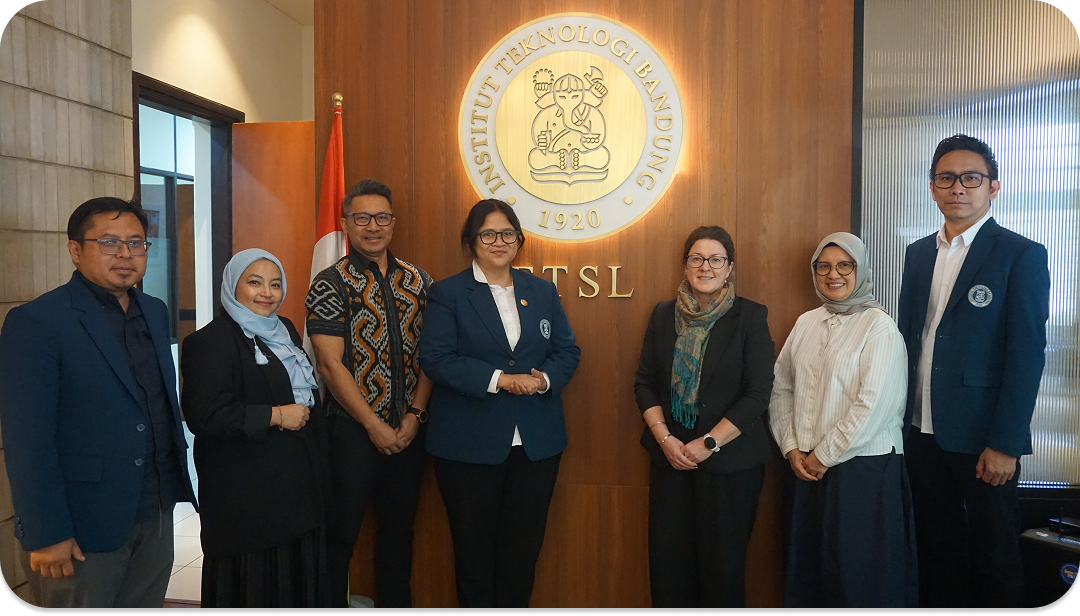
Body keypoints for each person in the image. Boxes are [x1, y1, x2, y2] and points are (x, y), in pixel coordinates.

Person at [0, 197, 196, 608]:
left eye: (136, 243)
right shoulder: (38, 322)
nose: (125, 254)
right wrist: (46, 532)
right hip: (82, 524)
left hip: (155, 511)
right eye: (109, 242)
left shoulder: (154, 311)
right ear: (75, 250)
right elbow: (26, 439)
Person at [897, 134, 1050, 609]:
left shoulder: (1020, 254)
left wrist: (1006, 443)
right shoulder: (918, 253)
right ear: (932, 187)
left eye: (971, 178)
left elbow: (1026, 355)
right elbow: (910, 338)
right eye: (946, 178)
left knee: (994, 556)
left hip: (983, 439)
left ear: (993, 187)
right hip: (920, 432)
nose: (958, 188)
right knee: (936, 550)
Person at [420, 199, 581, 608]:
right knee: (473, 554)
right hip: (468, 446)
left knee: (521, 554)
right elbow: (436, 359)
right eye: (488, 234)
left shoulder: (541, 291)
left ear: (519, 240)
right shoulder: (448, 293)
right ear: (471, 240)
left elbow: (567, 350)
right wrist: (500, 380)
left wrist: (542, 379)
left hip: (535, 444)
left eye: (507, 233)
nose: (499, 241)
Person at [769, 232, 917, 608]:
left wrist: (824, 455)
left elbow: (874, 405)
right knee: (807, 576)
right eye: (823, 266)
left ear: (861, 269)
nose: (833, 274)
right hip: (804, 469)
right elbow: (780, 388)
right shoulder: (806, 323)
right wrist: (791, 447)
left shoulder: (879, 327)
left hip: (862, 472)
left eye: (844, 265)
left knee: (858, 579)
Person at [305, 179, 433, 609]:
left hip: (410, 433)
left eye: (381, 217)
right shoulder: (330, 282)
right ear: (345, 224)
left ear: (393, 222)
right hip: (351, 433)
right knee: (340, 536)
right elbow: (329, 364)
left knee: (399, 534)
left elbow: (431, 357)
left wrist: (415, 415)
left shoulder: (419, 280)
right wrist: (373, 425)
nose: (372, 227)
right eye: (362, 218)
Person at [180, 249, 331, 608]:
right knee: (255, 588)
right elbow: (205, 416)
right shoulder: (210, 342)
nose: (267, 293)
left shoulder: (284, 329)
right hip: (247, 502)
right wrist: (275, 415)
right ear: (233, 286)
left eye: (275, 285)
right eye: (255, 282)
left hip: (295, 492)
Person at [633, 225, 774, 608]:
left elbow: (757, 393)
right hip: (671, 461)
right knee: (669, 569)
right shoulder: (663, 315)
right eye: (697, 258)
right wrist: (665, 439)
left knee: (722, 572)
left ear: (729, 267)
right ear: (685, 265)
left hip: (730, 466)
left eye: (715, 259)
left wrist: (709, 443)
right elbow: (645, 383)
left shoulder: (750, 316)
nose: (705, 267)